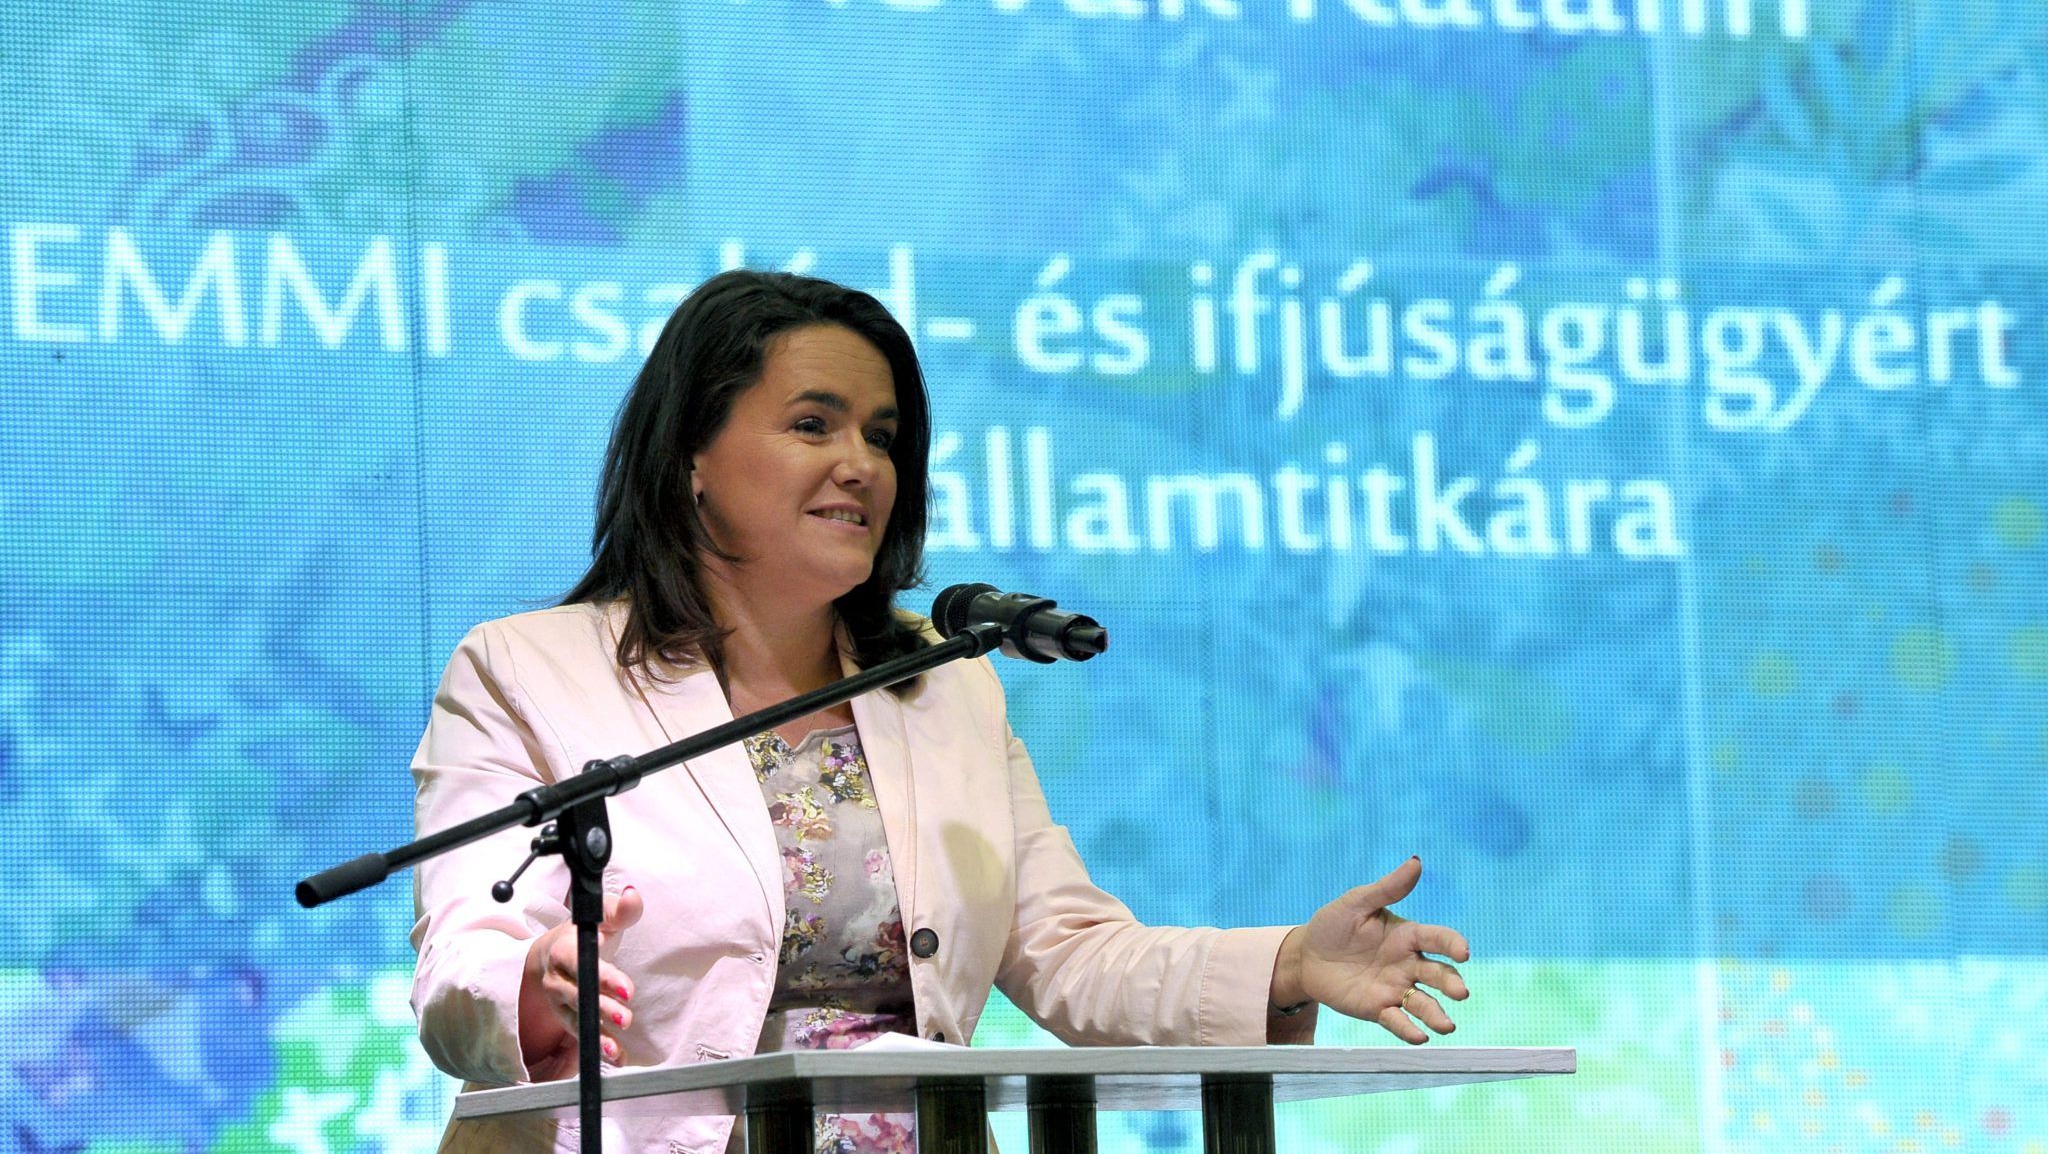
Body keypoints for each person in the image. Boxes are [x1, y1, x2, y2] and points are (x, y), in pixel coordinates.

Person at [409, 271, 1471, 1154]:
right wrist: (529, 991)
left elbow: (1068, 950)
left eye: (882, 436)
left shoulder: (942, 678)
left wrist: (1288, 961)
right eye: (813, 424)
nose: (861, 464)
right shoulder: (527, 671)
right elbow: (462, 952)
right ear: (692, 453)